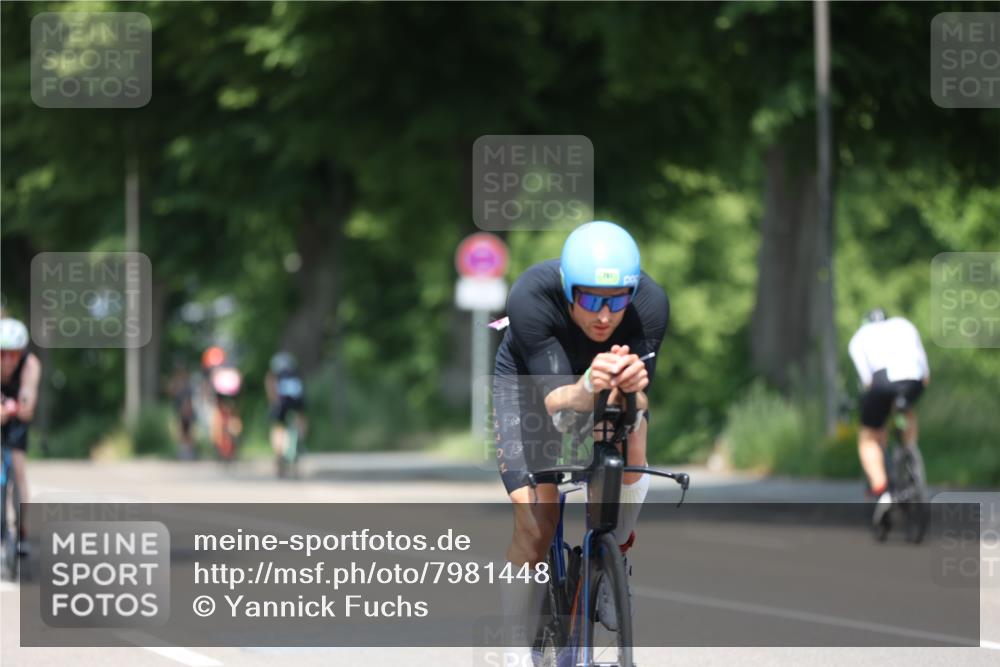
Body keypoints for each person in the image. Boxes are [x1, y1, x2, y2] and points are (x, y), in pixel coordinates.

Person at [492, 221, 669, 659]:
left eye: (616, 301)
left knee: (634, 441)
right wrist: (590, 381)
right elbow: (559, 404)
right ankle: (515, 650)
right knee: (536, 527)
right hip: (533, 386)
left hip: (601, 382)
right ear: (570, 289)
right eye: (590, 299)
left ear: (633, 292)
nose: (605, 315)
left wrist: (632, 386)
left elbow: (641, 397)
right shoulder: (532, 296)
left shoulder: (650, 304)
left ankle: (612, 560)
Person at [848, 308, 930, 526]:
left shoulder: (859, 337)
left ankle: (881, 487)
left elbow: (867, 381)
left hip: (883, 380)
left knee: (868, 436)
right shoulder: (904, 324)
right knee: (906, 409)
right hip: (913, 379)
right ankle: (911, 452)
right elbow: (925, 371)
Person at [1, 318, 41, 552]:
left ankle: (22, 529)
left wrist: (23, 406)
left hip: (15, 416)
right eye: (2, 354)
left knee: (18, 469)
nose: (7, 361)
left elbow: (28, 397)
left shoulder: (31, 364)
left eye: (13, 355)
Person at [265, 351, 307, 468]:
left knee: (278, 426)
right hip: (297, 402)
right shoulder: (296, 374)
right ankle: (301, 438)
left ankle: (279, 454)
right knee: (301, 418)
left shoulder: (274, 375)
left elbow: (271, 393)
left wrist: (273, 404)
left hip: (281, 404)